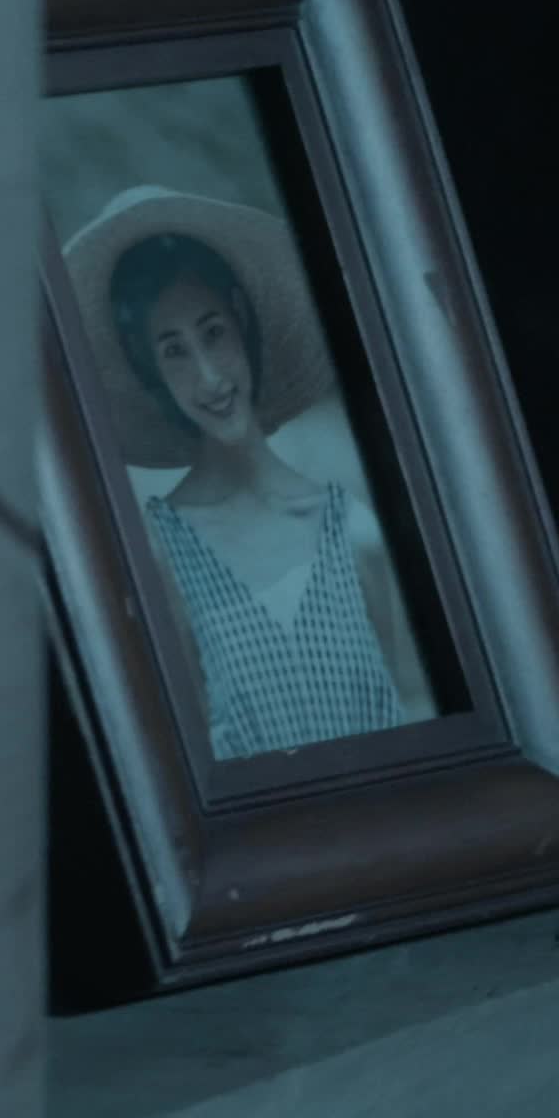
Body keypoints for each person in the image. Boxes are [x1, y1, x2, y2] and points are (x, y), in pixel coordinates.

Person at [63, 185, 434, 762]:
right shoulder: (162, 552)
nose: (210, 377)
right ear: (150, 370)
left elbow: (413, 713)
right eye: (174, 351)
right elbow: (179, 758)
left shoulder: (350, 523)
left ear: (241, 319)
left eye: (213, 333)